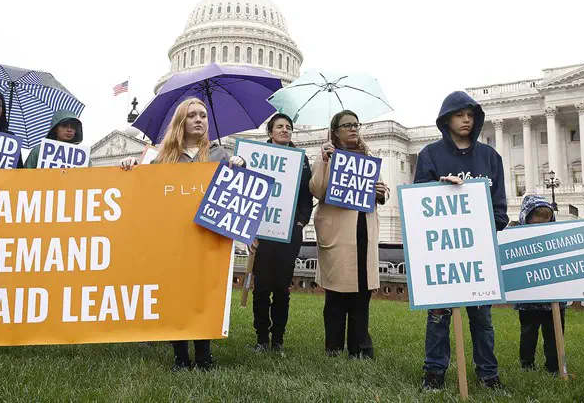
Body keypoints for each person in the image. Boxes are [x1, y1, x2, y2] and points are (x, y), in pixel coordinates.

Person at [119, 97, 245, 371]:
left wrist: (240, 164)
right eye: (192, 116)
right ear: (181, 122)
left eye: (202, 115)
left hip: (207, 235)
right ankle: (180, 356)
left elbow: (237, 192)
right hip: (174, 237)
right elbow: (142, 190)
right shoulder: (163, 158)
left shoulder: (219, 155)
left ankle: (203, 355)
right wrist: (129, 166)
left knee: (203, 293)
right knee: (175, 294)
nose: (199, 119)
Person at [414, 90, 509, 391]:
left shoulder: (490, 157)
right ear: (446, 119)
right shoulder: (430, 155)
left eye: (470, 114)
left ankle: (488, 374)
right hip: (442, 251)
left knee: (482, 318)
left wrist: (483, 227)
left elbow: (500, 208)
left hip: (478, 251)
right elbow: (419, 200)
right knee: (439, 316)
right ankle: (434, 372)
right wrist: (440, 189)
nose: (466, 119)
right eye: (459, 114)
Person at [309, 110, 388, 359]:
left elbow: (382, 192)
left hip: (364, 229)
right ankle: (333, 347)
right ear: (336, 131)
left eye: (356, 124)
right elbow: (317, 190)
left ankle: (360, 347)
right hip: (338, 232)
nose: (353, 129)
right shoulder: (326, 157)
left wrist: (381, 191)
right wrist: (324, 160)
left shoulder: (369, 157)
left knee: (361, 294)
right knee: (336, 294)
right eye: (347, 125)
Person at [250, 113, 313, 353]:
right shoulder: (256, 157)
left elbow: (307, 196)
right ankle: (261, 337)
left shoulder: (302, 161)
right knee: (262, 286)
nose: (285, 130)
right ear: (270, 132)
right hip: (262, 231)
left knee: (281, 287)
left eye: (289, 127)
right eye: (280, 127)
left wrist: (301, 222)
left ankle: (278, 339)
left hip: (290, 231)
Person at [514, 194, 566, 375]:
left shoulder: (558, 240)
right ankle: (527, 365)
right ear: (525, 220)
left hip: (555, 296)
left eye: (546, 224)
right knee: (528, 332)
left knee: (554, 332)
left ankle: (554, 366)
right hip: (528, 298)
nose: (541, 229)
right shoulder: (516, 241)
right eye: (536, 225)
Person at [24, 110, 88, 168]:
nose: (69, 130)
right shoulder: (39, 151)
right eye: (64, 126)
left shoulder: (83, 157)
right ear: (55, 128)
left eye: (73, 127)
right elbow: (24, 177)